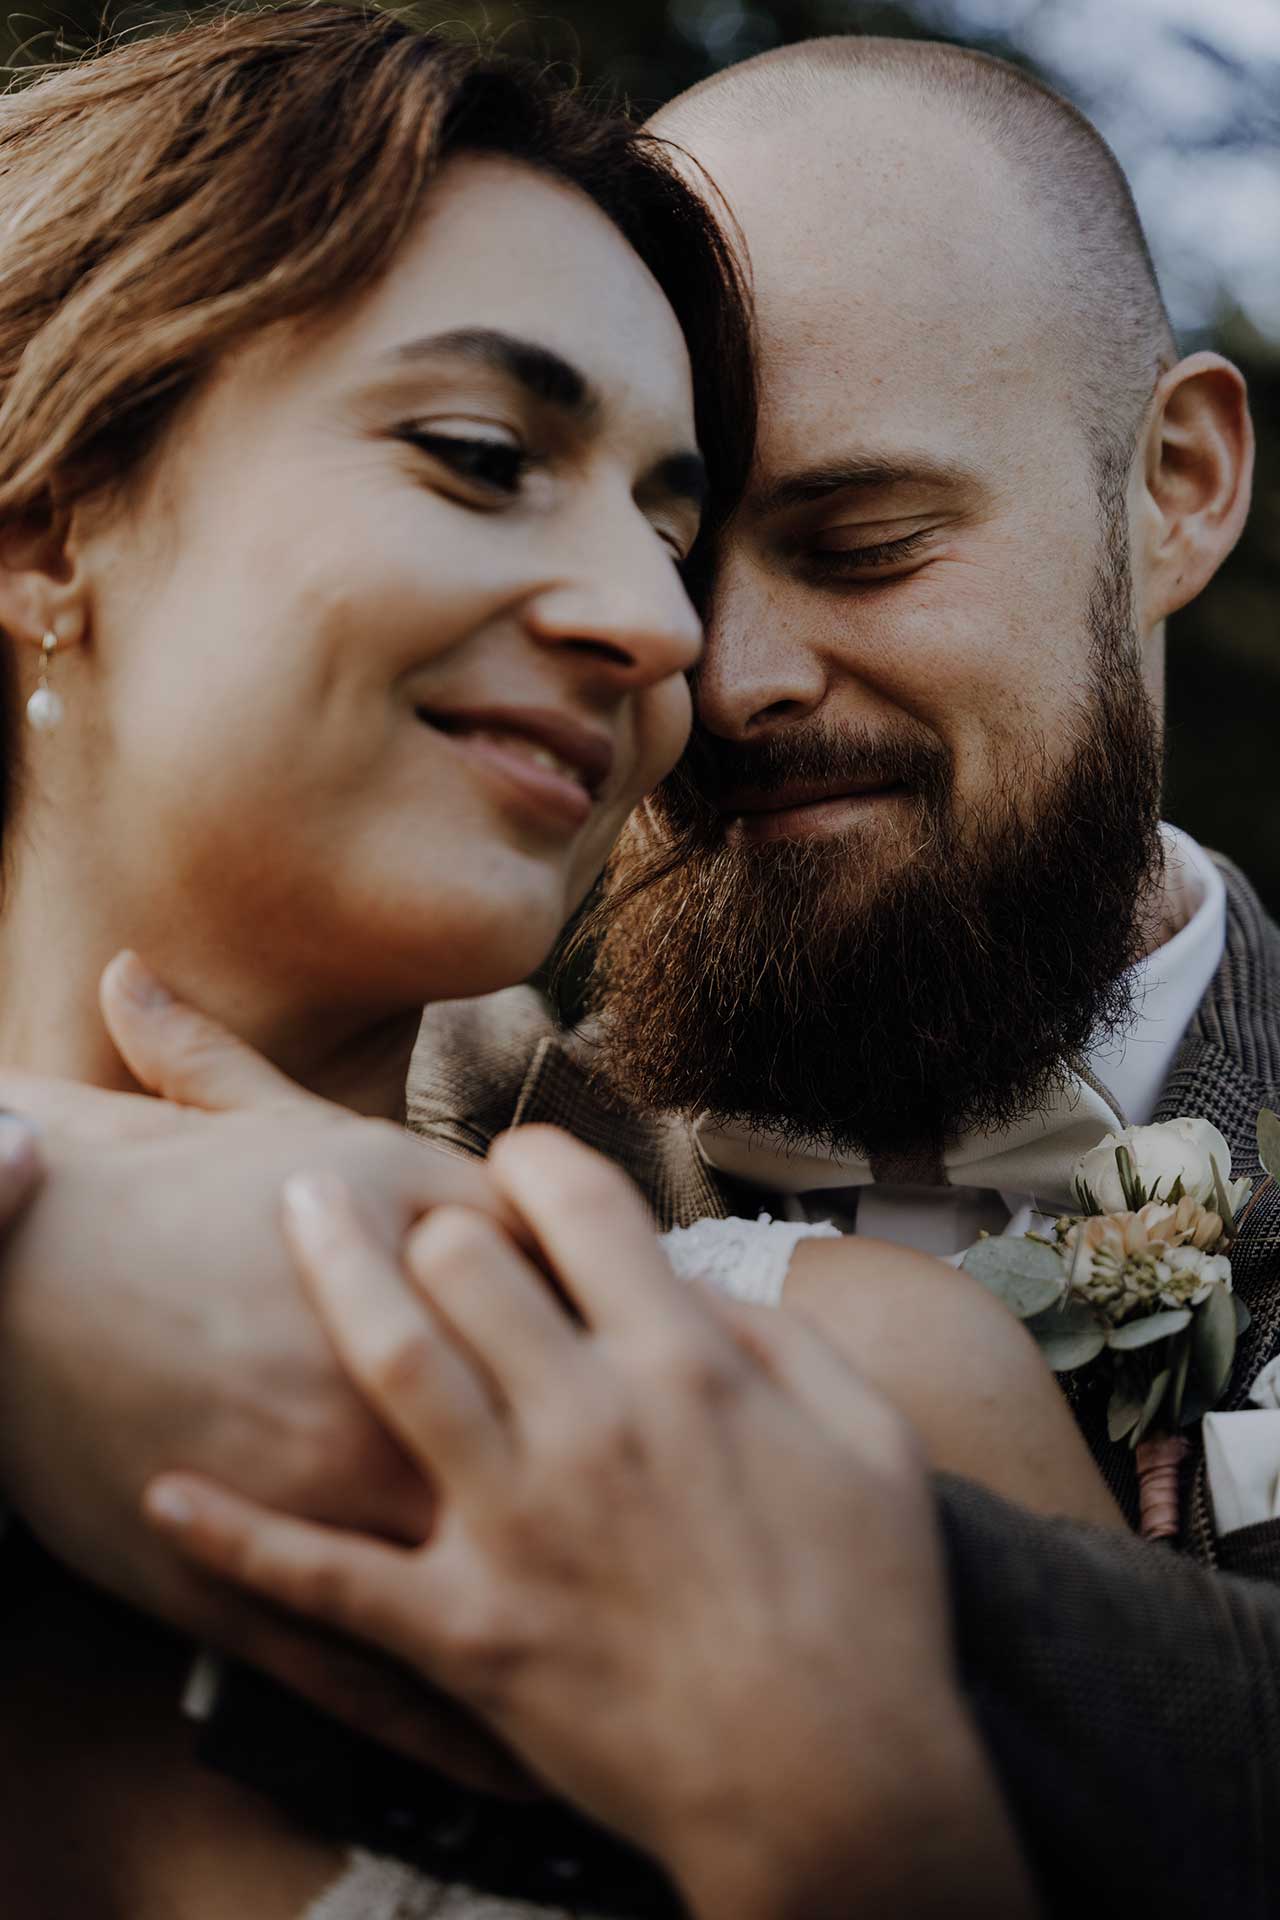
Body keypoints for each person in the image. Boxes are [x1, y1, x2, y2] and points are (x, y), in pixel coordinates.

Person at [120, 32, 1280, 1920]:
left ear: (1177, 485)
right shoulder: (402, 1104)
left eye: (863, 545)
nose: (718, 676)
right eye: (665, 545)